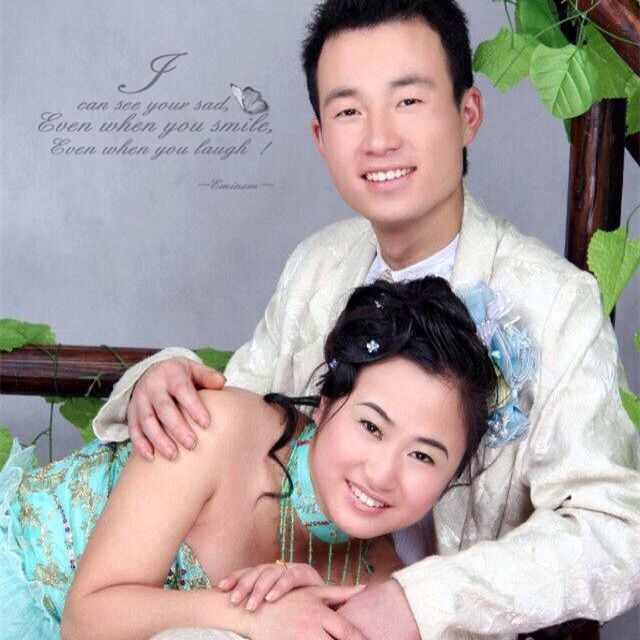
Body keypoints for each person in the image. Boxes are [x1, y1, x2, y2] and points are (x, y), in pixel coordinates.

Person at [93, 1, 640, 638]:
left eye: (408, 100)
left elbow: (616, 529)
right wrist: (163, 380)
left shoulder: (554, 303)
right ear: (320, 136)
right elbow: (245, 410)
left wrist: (420, 600)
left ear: (468, 113)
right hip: (295, 613)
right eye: (349, 110)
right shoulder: (319, 264)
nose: (379, 139)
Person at [1, 278, 502, 640]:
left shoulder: (380, 582)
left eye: (422, 455)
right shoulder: (215, 429)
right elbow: (86, 620)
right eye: (371, 426)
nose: (382, 474)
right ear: (326, 404)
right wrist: (253, 614)